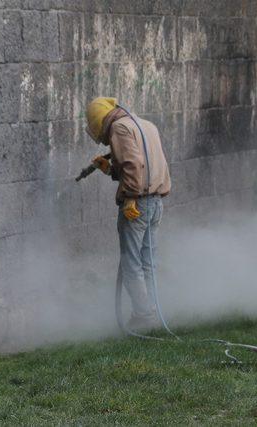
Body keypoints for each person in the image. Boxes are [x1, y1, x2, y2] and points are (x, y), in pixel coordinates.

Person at [86, 97, 171, 332]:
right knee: (148, 261)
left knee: (131, 263)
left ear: (98, 120)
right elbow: (144, 166)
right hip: (155, 202)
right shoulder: (145, 125)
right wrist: (110, 170)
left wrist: (131, 196)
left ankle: (144, 316)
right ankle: (152, 310)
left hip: (137, 205)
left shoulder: (119, 128)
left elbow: (133, 164)